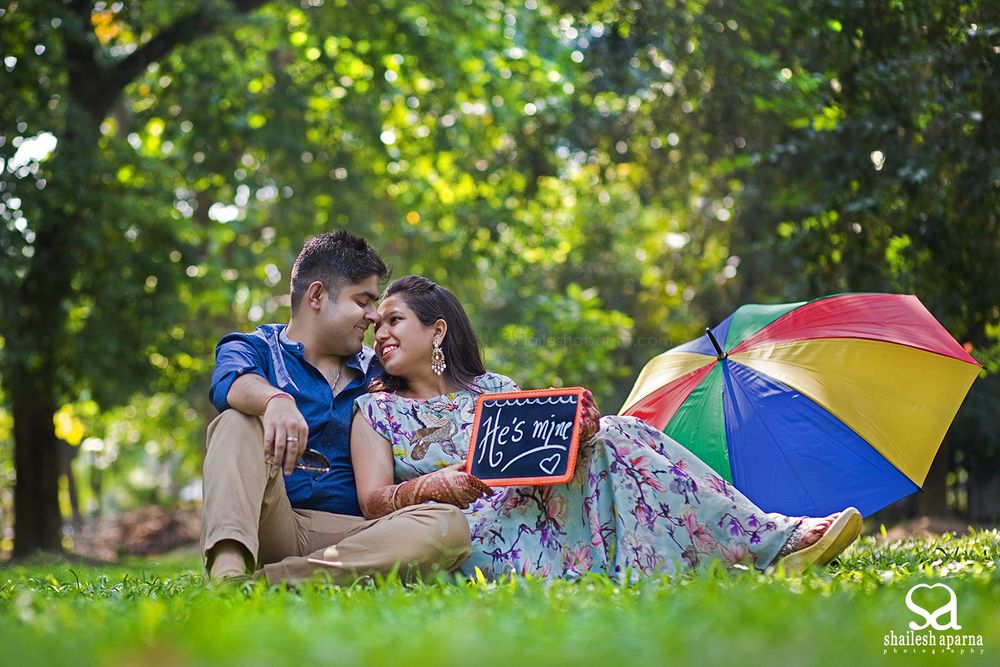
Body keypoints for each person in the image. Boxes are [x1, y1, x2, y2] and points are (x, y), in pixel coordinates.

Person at [350, 275, 863, 580]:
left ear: (436, 329)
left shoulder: (494, 386)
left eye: (394, 321)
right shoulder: (374, 412)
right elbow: (372, 501)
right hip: (468, 532)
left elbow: (540, 456)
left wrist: (577, 432)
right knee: (619, 431)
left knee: (615, 429)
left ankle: (761, 536)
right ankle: (770, 539)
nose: (382, 334)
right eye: (377, 327)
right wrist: (441, 484)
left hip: (538, 506)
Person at [201, 234, 471, 585]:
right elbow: (230, 383)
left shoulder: (380, 371)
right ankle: (227, 575)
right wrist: (275, 401)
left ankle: (270, 584)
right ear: (316, 296)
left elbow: (440, 392)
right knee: (236, 420)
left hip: (356, 536)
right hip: (271, 520)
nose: (374, 317)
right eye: (363, 301)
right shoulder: (255, 349)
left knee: (447, 525)